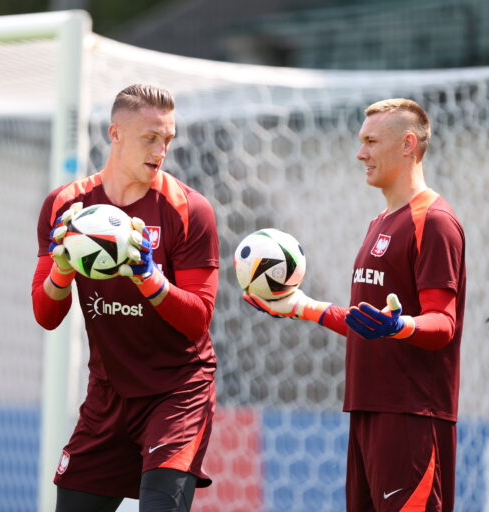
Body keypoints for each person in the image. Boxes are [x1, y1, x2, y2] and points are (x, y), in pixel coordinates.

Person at [244, 98, 465, 511]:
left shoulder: (433, 221)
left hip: (412, 417)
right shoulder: (379, 223)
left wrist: (402, 327)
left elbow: (443, 323)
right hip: (367, 410)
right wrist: (298, 305)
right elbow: (367, 323)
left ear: (407, 144)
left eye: (370, 141)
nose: (359, 153)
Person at [32, 84, 219, 512]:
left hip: (177, 393)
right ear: (115, 133)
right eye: (150, 138)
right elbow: (46, 315)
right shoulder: (66, 206)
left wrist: (148, 278)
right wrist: (62, 267)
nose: (161, 150)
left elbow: (198, 320)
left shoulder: (191, 209)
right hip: (108, 392)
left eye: (168, 139)